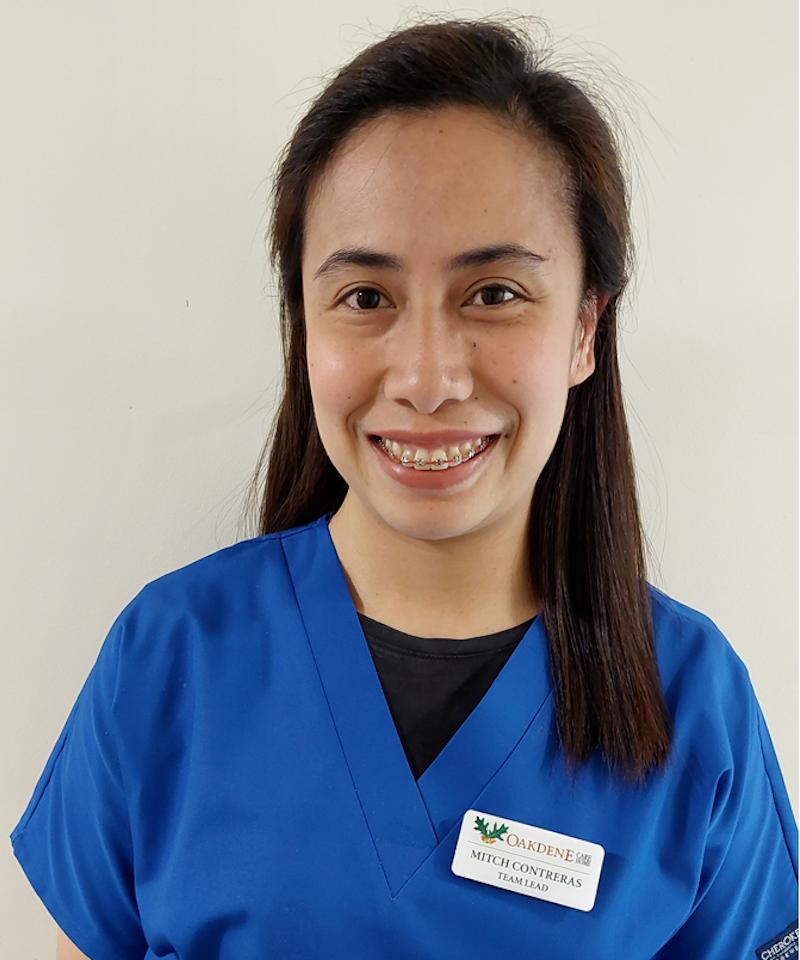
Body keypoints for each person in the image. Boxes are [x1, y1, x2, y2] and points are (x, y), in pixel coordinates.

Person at [10, 14, 797, 959]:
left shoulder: (692, 704)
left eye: (495, 293)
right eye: (366, 298)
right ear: (303, 327)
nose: (427, 380)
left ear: (587, 329)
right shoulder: (171, 657)